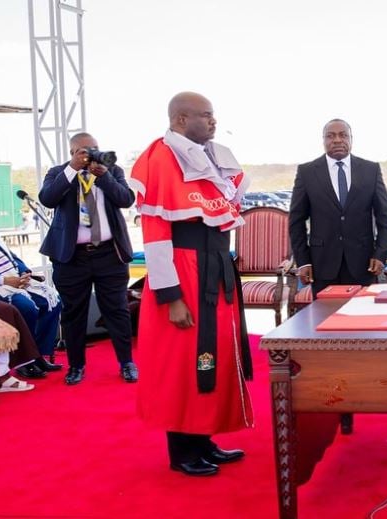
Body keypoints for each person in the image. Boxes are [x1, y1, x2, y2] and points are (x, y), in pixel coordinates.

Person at [130, 91, 254, 477]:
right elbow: (155, 236)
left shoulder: (211, 156)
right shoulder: (161, 159)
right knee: (184, 364)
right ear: (181, 120)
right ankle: (182, 452)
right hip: (183, 273)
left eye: (213, 114)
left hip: (215, 269)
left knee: (212, 357)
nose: (213, 121)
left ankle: (204, 440)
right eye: (206, 115)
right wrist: (171, 298)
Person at [38, 132, 138, 386]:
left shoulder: (111, 170)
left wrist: (103, 175)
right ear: (72, 153)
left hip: (109, 254)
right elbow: (47, 198)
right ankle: (76, 366)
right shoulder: (59, 172)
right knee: (73, 313)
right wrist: (73, 169)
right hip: (72, 258)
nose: (90, 154)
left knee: (117, 310)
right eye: (84, 151)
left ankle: (127, 362)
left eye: (94, 148)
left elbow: (126, 199)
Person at [289, 118, 387, 298]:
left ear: (351, 139)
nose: (337, 140)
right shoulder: (307, 172)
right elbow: (296, 221)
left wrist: (380, 254)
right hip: (322, 265)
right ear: (323, 141)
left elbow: (384, 218)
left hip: (364, 264)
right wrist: (303, 262)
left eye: (343, 135)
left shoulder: (371, 170)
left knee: (361, 321)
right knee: (324, 321)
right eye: (330, 136)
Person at [0, 222, 62, 376]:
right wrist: (4, 280)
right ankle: (24, 361)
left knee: (53, 301)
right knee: (26, 307)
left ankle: (38, 355)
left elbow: (10, 255)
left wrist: (24, 271)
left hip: (14, 278)